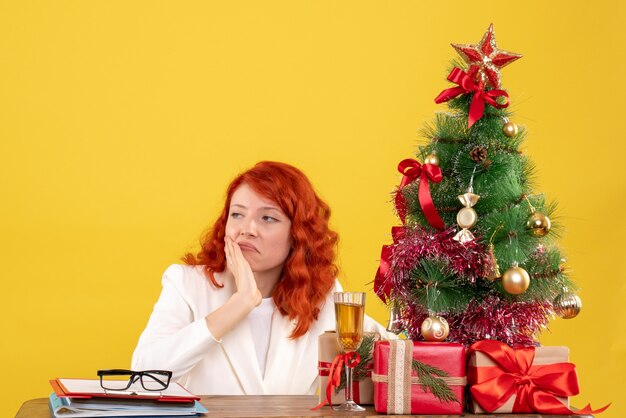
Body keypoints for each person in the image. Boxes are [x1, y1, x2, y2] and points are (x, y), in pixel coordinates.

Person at [131, 161, 391, 395]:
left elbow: (394, 353)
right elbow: (144, 376)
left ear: (298, 235)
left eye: (267, 218)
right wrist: (240, 303)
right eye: (237, 214)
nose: (247, 229)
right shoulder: (187, 284)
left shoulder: (321, 296)